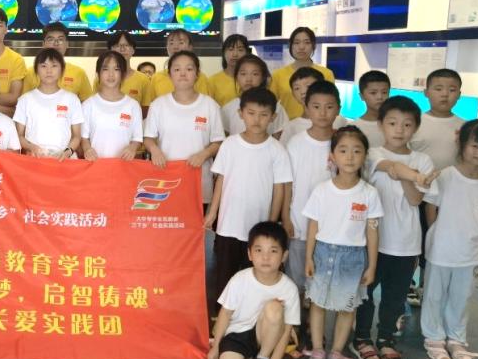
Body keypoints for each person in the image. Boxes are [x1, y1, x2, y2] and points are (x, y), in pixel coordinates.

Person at [352, 96, 437, 359]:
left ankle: (386, 338)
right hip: (373, 240)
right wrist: (415, 176)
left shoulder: (423, 159)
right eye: (392, 123)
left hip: (406, 242)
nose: (399, 130)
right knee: (365, 292)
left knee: (395, 296)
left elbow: (414, 200)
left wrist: (412, 179)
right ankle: (361, 337)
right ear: (381, 125)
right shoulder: (373, 154)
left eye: (407, 124)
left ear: (416, 128)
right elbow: (390, 167)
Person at [421, 119, 478, 359]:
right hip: (442, 249)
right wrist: (438, 233)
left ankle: (457, 339)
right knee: (434, 295)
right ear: (462, 145)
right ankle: (434, 338)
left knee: (462, 297)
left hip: (472, 252)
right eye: (476, 146)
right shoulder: (445, 176)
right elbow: (431, 208)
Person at [303, 126, 384, 359]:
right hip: (322, 252)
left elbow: (372, 231)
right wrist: (308, 257)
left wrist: (372, 265)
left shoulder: (369, 193)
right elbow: (313, 226)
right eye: (343, 150)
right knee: (317, 303)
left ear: (365, 156)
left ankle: (336, 353)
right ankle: (318, 351)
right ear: (333, 156)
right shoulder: (321, 190)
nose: (350, 157)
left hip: (353, 258)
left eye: (357, 151)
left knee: (347, 307)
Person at [207, 87, 292, 308]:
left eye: (264, 115)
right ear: (241, 113)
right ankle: (221, 316)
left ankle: (249, 316)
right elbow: (221, 180)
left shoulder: (277, 150)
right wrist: (212, 213)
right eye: (251, 113)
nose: (257, 119)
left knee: (254, 276)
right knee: (224, 274)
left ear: (273, 117)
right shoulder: (230, 144)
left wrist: (271, 223)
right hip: (228, 225)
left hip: (258, 228)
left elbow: (279, 189)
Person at [208, 221, 300, 359]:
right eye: (259, 250)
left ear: (284, 256)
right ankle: (247, 358)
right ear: (249, 254)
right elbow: (225, 313)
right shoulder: (240, 279)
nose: (265, 257)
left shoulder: (289, 289)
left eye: (273, 251)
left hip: (266, 337)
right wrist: (215, 347)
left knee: (274, 308)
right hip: (237, 334)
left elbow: (286, 331)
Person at [409, 68, 465, 305]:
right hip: (417, 197)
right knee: (415, 242)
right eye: (438, 88)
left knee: (438, 243)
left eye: (452, 90)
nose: (445, 94)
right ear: (426, 92)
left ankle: (427, 285)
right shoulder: (415, 123)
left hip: (448, 198)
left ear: (459, 94)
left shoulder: (464, 127)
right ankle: (407, 284)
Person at [282, 81, 341, 297]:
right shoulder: (296, 143)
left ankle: (316, 314)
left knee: (324, 282)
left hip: (332, 226)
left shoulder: (342, 143)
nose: (323, 113)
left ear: (339, 108)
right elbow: (287, 184)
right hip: (299, 222)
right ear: (306, 108)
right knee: (296, 280)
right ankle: (296, 315)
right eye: (316, 107)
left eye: (329, 107)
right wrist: (286, 217)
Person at [143, 50, 224, 207]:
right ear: (170, 74)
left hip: (199, 182)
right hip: (165, 181)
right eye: (177, 69)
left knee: (197, 221)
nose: (183, 73)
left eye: (189, 69)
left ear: (197, 74)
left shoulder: (209, 105)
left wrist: (204, 154)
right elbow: (148, 138)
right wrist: (154, 150)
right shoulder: (158, 105)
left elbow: (218, 141)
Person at [14, 48, 83, 160]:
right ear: (36, 70)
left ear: (62, 69)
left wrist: (68, 152)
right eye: (44, 66)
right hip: (35, 160)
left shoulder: (72, 99)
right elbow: (19, 135)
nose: (49, 71)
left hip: (64, 160)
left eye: (54, 66)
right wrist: (32, 147)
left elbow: (77, 136)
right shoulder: (25, 100)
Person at [81, 51, 143, 161]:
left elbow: (137, 138)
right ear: (98, 73)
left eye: (116, 69)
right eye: (105, 69)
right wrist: (87, 149)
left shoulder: (133, 105)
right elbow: (83, 137)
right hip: (96, 165)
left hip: (123, 166)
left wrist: (132, 148)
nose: (111, 74)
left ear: (123, 74)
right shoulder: (88, 105)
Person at [270, 26, 334, 120]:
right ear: (290, 46)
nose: (301, 47)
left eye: (307, 42)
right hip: (287, 126)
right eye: (296, 43)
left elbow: (331, 103)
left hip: (318, 124)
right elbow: (269, 106)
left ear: (313, 45)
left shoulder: (326, 74)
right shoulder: (278, 75)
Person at [219, 55, 288, 138]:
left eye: (255, 74)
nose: (249, 79)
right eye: (243, 74)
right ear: (236, 77)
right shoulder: (229, 108)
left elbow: (279, 139)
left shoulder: (276, 107)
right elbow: (223, 137)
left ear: (263, 77)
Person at [23, 23, 92, 101]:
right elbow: (24, 101)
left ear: (67, 44)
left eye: (60, 39)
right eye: (51, 39)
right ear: (43, 44)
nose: (56, 43)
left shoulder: (79, 73)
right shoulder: (30, 72)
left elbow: (88, 104)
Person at [278, 66, 347, 146]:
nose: (303, 92)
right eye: (297, 88)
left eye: (308, 86)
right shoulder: (291, 127)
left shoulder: (339, 121)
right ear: (293, 94)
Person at [144, 29, 211, 104]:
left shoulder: (200, 77)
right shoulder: (157, 78)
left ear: (190, 47)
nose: (175, 47)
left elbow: (203, 105)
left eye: (181, 43)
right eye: (171, 43)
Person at [104, 31, 151, 112]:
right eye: (117, 45)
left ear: (133, 50)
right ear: (110, 50)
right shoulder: (101, 79)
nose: (122, 49)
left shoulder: (143, 79)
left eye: (126, 45)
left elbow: (145, 110)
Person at [349, 70, 391, 150]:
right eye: (373, 93)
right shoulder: (353, 128)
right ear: (362, 96)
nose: (380, 97)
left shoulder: (398, 124)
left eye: (384, 92)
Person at [208, 34, 250, 107]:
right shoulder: (212, 81)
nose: (235, 54)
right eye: (230, 49)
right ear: (224, 53)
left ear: (247, 53)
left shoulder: (253, 79)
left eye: (240, 50)